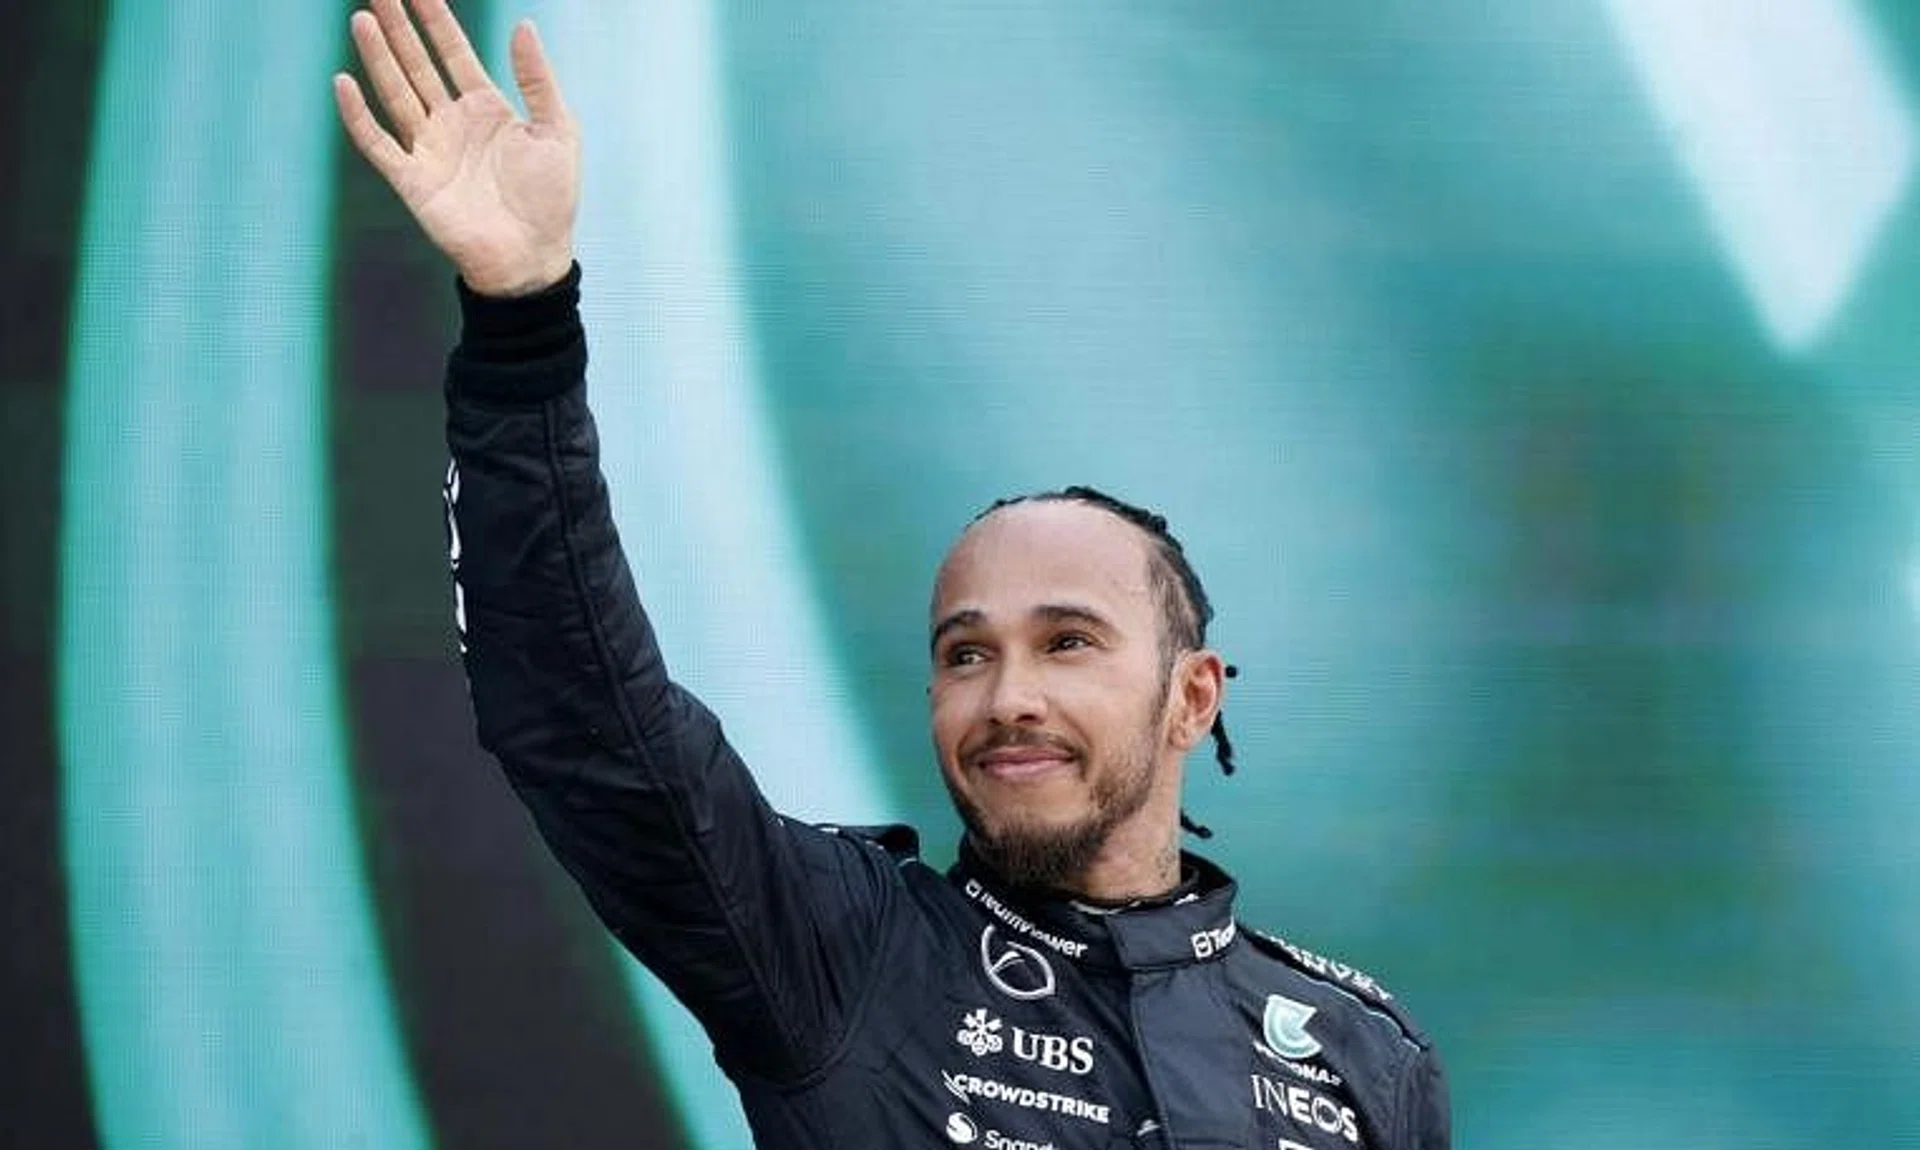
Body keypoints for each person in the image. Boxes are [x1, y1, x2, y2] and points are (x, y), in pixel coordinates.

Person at [335, 2, 1451, 1146]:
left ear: (1193, 695)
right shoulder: (843, 954)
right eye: (966, 653)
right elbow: (583, 723)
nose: (1009, 694)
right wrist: (522, 323)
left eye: (1068, 640)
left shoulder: (1359, 1047)